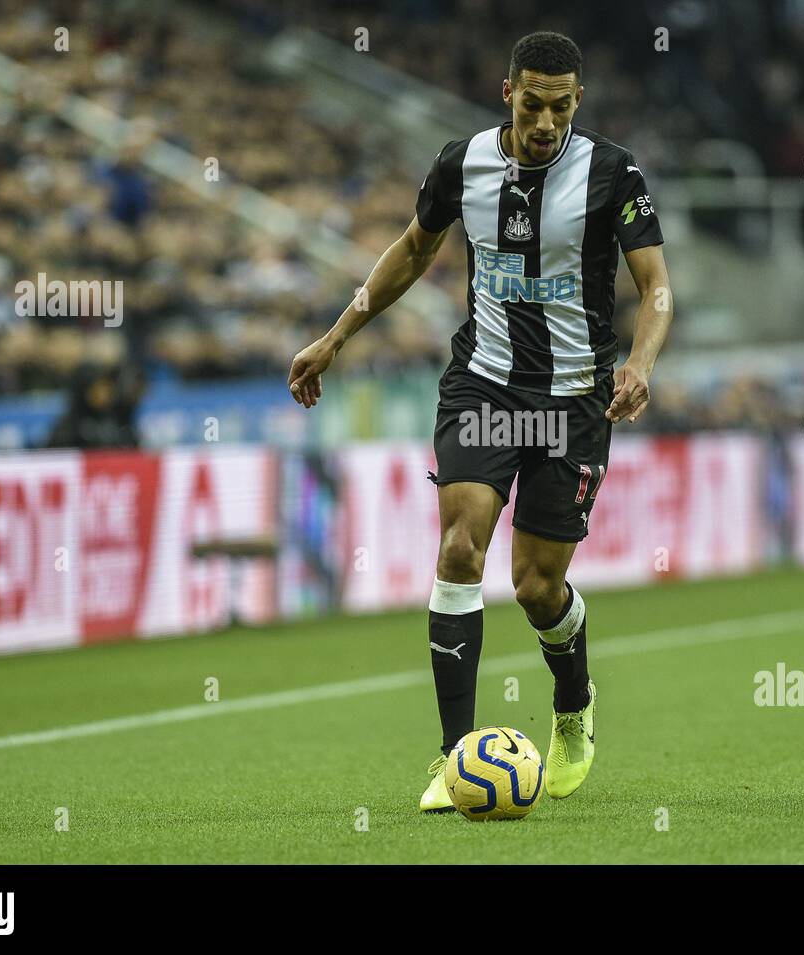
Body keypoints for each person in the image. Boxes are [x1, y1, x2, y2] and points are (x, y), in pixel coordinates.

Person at [287, 31, 673, 811]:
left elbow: (656, 284)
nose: (545, 122)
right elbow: (411, 249)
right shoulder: (462, 163)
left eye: (561, 107)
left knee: (537, 587)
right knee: (460, 545)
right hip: (484, 388)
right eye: (532, 104)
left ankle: (573, 706)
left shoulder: (611, 172)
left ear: (578, 103)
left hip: (572, 402)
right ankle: (452, 756)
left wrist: (642, 364)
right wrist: (335, 337)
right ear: (508, 95)